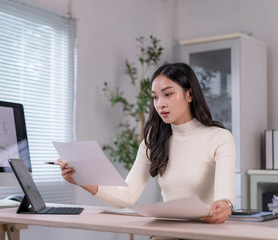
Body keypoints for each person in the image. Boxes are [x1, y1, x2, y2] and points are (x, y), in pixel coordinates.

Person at [59, 62, 236, 224]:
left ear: (189, 94)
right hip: (169, 230)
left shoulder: (219, 137)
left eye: (168, 94)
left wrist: (224, 205)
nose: (160, 104)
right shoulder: (154, 140)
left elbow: (225, 195)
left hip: (207, 229)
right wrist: (82, 180)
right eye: (155, 97)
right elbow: (127, 195)